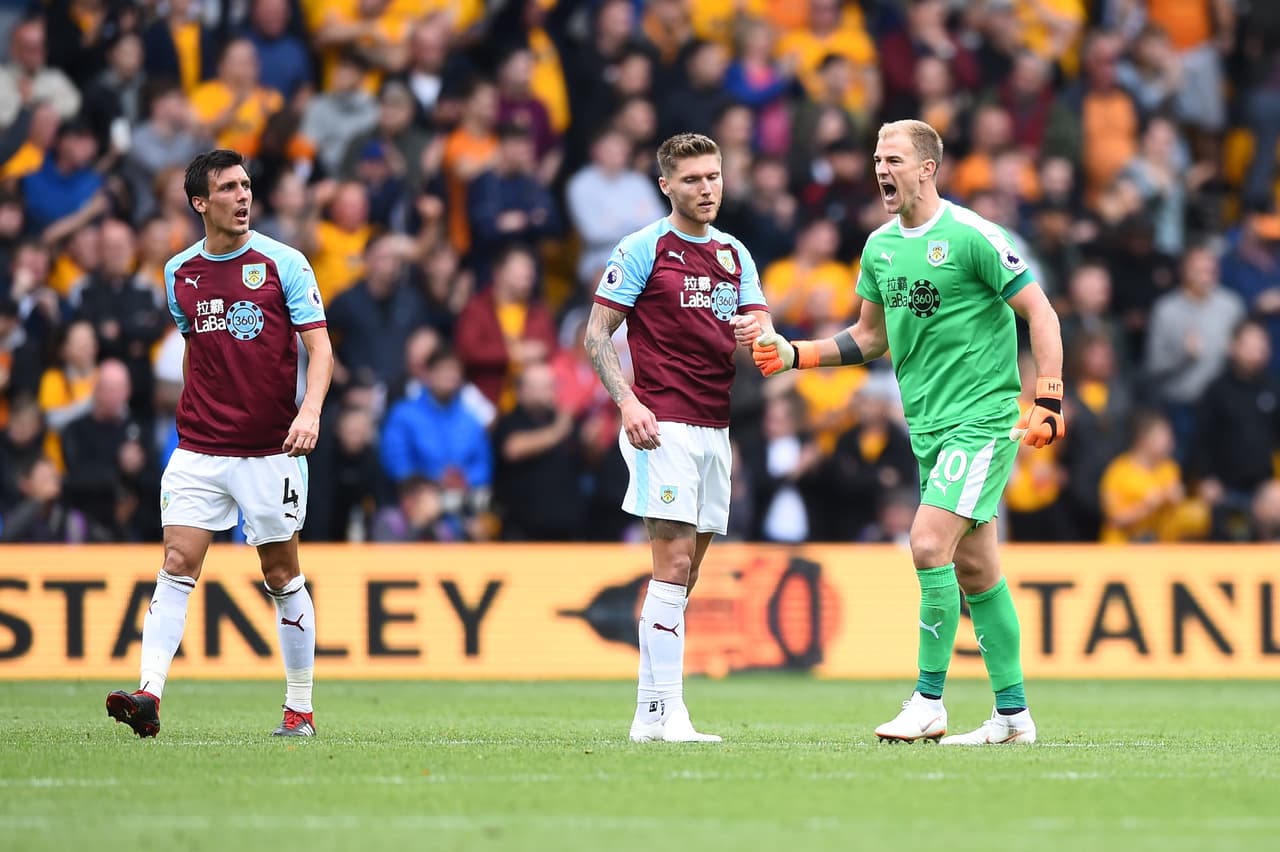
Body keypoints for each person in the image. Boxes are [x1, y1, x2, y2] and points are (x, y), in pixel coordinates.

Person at [749, 119, 1065, 745]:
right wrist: (796, 354)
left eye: (892, 159)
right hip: (926, 428)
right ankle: (1012, 716)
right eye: (876, 159)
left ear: (927, 168)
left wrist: (1049, 396)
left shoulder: (973, 236)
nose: (880, 169)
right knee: (978, 571)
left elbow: (1040, 310)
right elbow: (869, 337)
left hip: (981, 420)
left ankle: (928, 700)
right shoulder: (879, 247)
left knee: (925, 544)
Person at [105, 149, 333, 739]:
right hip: (200, 448)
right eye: (228, 188)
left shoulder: (284, 263)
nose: (242, 195)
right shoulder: (179, 272)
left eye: (246, 185)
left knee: (281, 573)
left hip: (270, 450)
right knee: (176, 563)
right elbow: (196, 351)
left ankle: (300, 709)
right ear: (200, 203)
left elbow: (320, 349)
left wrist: (309, 411)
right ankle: (149, 694)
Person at [583, 132, 770, 743]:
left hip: (716, 428)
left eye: (713, 176)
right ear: (666, 185)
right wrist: (628, 402)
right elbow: (596, 334)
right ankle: (673, 713)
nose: (706, 188)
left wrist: (757, 332)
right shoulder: (644, 248)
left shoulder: (735, 254)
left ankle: (649, 714)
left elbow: (762, 328)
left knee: (684, 580)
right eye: (692, 179)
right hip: (660, 425)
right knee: (674, 564)